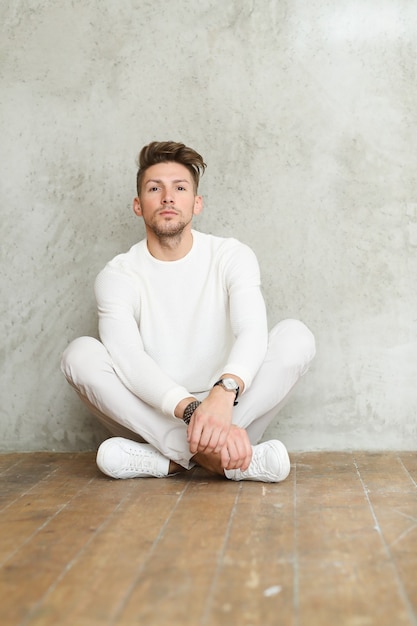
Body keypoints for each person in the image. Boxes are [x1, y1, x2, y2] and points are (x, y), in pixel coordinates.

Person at [61, 141, 315, 483]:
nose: (168, 197)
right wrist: (192, 410)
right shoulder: (118, 275)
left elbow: (251, 331)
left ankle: (171, 460)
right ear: (138, 205)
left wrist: (223, 395)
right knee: (79, 355)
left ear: (196, 203)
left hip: (230, 406)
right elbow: (128, 358)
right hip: (158, 411)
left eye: (179, 188)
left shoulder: (231, 255)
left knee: (296, 337)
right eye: (155, 188)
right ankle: (221, 458)